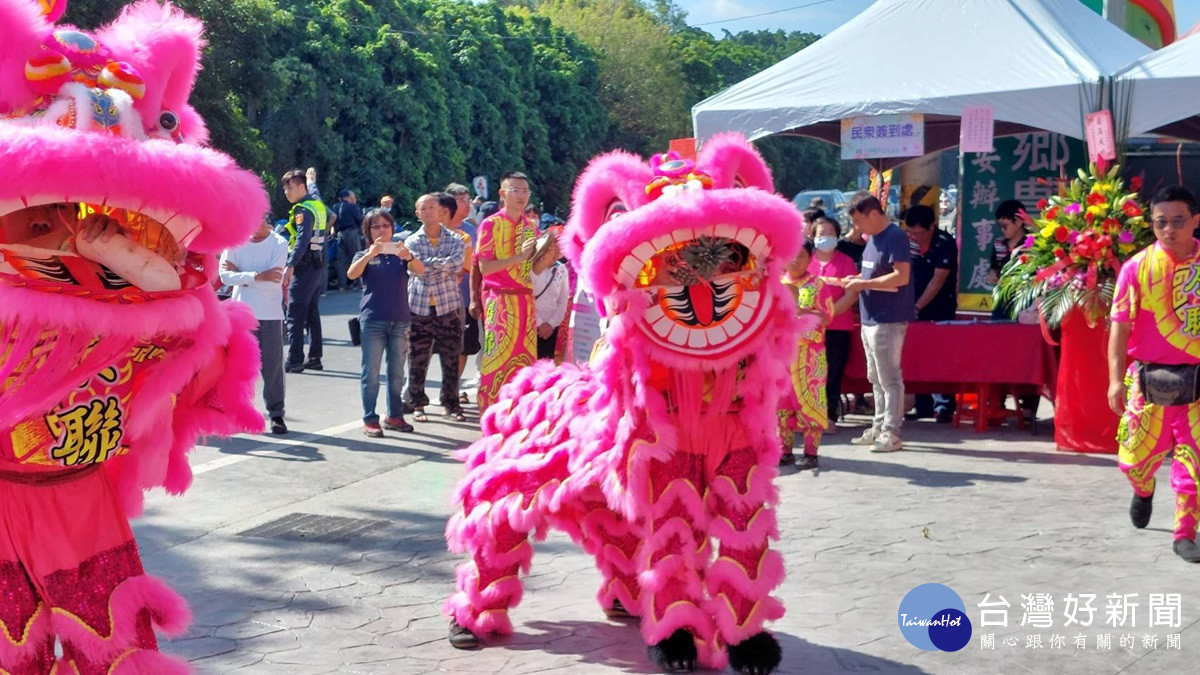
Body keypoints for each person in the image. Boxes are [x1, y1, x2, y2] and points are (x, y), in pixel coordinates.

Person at [1107, 185, 1200, 563]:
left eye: (1178, 221)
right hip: (1147, 383)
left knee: (1194, 463)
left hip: (1198, 382)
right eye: (1161, 222)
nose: (1169, 230)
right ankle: (1143, 489)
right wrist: (1115, 380)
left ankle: (1185, 532)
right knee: (1133, 460)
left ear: (1195, 221)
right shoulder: (1136, 268)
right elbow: (1119, 328)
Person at [475, 173, 556, 412]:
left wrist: (550, 258)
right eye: (515, 190)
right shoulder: (490, 224)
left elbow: (533, 268)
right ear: (502, 193)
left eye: (525, 191)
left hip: (524, 301)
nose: (521, 196)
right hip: (499, 301)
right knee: (495, 359)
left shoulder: (530, 227)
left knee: (524, 362)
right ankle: (489, 414)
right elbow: (485, 267)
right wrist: (519, 256)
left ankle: (517, 414)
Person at [843, 191, 915, 452]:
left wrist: (862, 283)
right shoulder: (873, 238)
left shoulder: (895, 236)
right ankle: (878, 426)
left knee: (890, 378)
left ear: (874, 213)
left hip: (889, 318)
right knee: (875, 377)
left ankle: (891, 431)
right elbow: (874, 273)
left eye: (859, 221)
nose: (857, 228)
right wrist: (857, 279)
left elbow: (901, 276)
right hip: (870, 317)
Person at [348, 209, 421, 438]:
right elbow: (352, 274)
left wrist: (408, 256)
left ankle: (394, 415)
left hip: (400, 319)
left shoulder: (400, 253)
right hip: (373, 320)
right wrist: (370, 255)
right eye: (376, 227)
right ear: (368, 231)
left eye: (385, 226)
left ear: (392, 228)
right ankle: (370, 418)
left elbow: (421, 270)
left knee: (397, 372)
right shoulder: (364, 253)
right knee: (371, 372)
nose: (382, 230)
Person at [219, 217, 290, 435]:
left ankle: (276, 414)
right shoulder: (235, 242)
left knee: (273, 367)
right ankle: (236, 413)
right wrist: (258, 275)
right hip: (241, 314)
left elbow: (274, 279)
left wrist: (241, 274)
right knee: (238, 368)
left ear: (266, 222)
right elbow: (224, 276)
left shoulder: (279, 243)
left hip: (269, 314)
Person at [404, 192, 468, 422]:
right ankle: (418, 403)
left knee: (451, 357)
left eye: (433, 207)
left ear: (441, 211)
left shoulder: (456, 239)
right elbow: (414, 269)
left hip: (448, 306)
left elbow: (457, 264)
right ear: (417, 213)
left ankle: (450, 404)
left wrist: (426, 267)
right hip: (419, 306)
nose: (429, 211)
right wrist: (440, 266)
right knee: (417, 357)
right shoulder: (411, 241)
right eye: (424, 208)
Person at [779, 241, 834, 471]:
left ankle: (811, 453)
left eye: (800, 255)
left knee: (811, 401)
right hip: (782, 354)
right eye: (790, 255)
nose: (795, 260)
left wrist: (803, 312)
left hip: (810, 354)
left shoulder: (817, 284)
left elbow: (827, 317)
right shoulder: (776, 284)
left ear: (810, 257)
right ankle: (784, 451)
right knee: (781, 405)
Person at [905, 205, 958, 423]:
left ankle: (944, 405)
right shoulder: (908, 243)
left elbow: (938, 281)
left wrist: (917, 307)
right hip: (912, 305)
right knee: (918, 355)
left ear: (932, 227)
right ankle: (922, 405)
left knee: (941, 356)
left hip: (939, 306)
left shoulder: (944, 243)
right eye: (911, 232)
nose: (915, 237)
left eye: (919, 233)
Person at [808, 214, 860, 430]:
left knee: (832, 372)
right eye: (822, 234)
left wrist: (827, 314)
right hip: (808, 328)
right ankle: (808, 415)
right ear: (813, 237)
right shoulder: (804, 260)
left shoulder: (846, 262)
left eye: (831, 234)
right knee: (809, 373)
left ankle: (828, 416)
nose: (826, 238)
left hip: (838, 327)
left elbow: (851, 295)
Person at [281, 168, 328, 373]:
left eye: (289, 187)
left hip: (304, 265)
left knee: (295, 312)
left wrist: (290, 265)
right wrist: (312, 182)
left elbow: (302, 240)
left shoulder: (303, 210)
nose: (286, 192)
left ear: (301, 187)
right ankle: (315, 357)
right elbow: (315, 193)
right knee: (311, 312)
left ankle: (295, 359)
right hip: (318, 265)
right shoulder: (316, 204)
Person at [446, 183, 481, 402]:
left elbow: (479, 265)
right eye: (462, 200)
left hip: (467, 299)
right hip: (440, 301)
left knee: (464, 348)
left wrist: (477, 297)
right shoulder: (438, 229)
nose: (467, 204)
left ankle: (453, 389)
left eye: (468, 199)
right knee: (437, 348)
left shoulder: (472, 230)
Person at [531, 233, 569, 360]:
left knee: (546, 364)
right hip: (531, 325)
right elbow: (527, 298)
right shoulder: (533, 268)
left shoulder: (562, 270)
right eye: (551, 247)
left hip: (551, 329)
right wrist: (539, 323)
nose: (555, 251)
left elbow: (562, 301)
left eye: (558, 247)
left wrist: (551, 324)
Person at [989, 199, 1029, 318]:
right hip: (1002, 299)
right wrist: (993, 275)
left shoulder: (1034, 243)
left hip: (1025, 300)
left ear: (1019, 222)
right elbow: (995, 268)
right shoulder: (998, 244)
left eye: (1005, 226)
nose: (1002, 230)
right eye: (1000, 226)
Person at [332, 188, 364, 291]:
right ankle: (359, 283)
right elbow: (359, 219)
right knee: (356, 257)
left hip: (340, 234)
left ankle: (343, 285)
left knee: (342, 260)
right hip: (352, 232)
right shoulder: (352, 206)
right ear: (347, 197)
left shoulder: (335, 207)